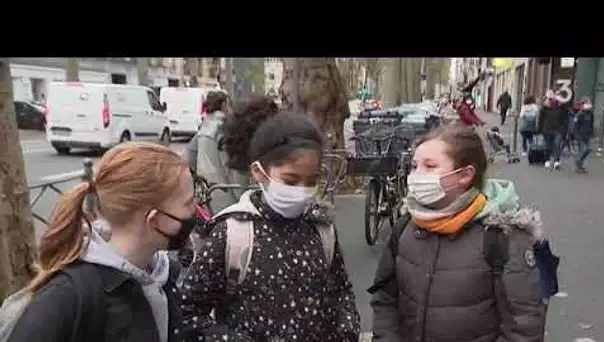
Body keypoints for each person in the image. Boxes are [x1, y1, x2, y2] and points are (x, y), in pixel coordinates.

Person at [180, 113, 361, 342]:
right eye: (291, 181)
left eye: (311, 181)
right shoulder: (232, 234)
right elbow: (189, 314)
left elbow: (341, 291)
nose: (302, 190)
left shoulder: (322, 230)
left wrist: (346, 333)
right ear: (258, 172)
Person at [370, 124, 551, 342]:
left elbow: (523, 327)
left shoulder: (502, 236)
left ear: (465, 175)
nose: (416, 176)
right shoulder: (405, 228)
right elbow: (385, 299)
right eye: (414, 166)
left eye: (430, 166)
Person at [7, 142, 197, 342]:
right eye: (188, 203)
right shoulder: (65, 299)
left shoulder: (160, 276)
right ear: (154, 219)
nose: (196, 211)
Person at [185, 93, 279, 213]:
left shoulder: (205, 128)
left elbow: (188, 159)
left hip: (209, 201)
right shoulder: (233, 140)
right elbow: (240, 188)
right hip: (232, 210)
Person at [538, 90, 569, 169]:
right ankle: (547, 160)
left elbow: (565, 118)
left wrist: (564, 131)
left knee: (557, 144)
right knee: (547, 145)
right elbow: (541, 118)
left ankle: (556, 161)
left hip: (558, 129)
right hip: (547, 129)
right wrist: (539, 129)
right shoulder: (545, 107)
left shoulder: (562, 107)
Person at [573, 97, 595, 173]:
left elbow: (591, 124)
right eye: (587, 103)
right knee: (582, 150)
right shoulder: (579, 114)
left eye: (589, 103)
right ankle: (579, 165)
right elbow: (575, 126)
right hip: (580, 136)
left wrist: (592, 134)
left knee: (589, 149)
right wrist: (576, 136)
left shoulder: (590, 114)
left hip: (588, 135)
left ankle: (579, 163)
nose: (589, 104)